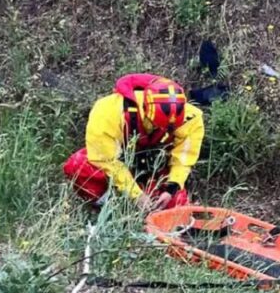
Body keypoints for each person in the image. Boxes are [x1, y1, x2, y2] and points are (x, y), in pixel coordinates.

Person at [63, 74, 204, 211]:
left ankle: (149, 209)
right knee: (78, 166)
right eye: (157, 125)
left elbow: (184, 159)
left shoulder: (190, 118)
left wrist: (171, 188)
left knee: (176, 206)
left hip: (154, 171)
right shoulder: (108, 110)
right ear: (145, 109)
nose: (162, 130)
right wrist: (135, 195)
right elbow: (106, 160)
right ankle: (112, 209)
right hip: (117, 167)